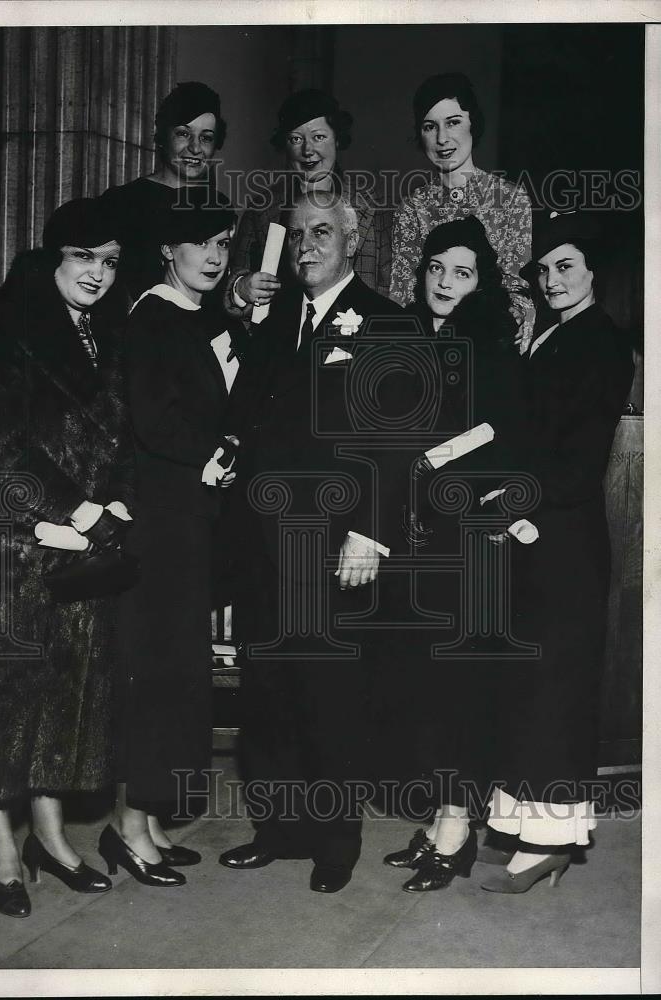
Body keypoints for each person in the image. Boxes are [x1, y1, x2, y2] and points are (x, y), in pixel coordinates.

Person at [0, 198, 132, 917]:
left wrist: (117, 504)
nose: (97, 274)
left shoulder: (101, 332)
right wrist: (74, 512)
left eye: (109, 262)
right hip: (10, 542)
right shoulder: (7, 326)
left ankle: (48, 834)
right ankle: (0, 847)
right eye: (83, 258)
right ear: (53, 259)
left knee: (63, 701)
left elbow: (117, 440)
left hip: (79, 550)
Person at [220, 191, 413, 894]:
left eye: (322, 232)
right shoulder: (275, 325)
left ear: (352, 240)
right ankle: (276, 829)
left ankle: (335, 842)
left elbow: (395, 442)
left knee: (331, 696)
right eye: (296, 234)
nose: (306, 245)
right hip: (266, 545)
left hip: (336, 545)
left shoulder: (386, 322)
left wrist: (369, 533)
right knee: (269, 691)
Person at [477, 212, 635, 892]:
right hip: (537, 529)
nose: (551, 279)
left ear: (592, 273)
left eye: (564, 266)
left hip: (562, 533)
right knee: (526, 686)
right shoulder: (553, 336)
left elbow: (572, 461)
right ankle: (515, 822)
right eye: (542, 270)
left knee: (555, 692)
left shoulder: (598, 341)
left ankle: (549, 842)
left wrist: (511, 499)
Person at [378, 215, 530, 892]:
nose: (444, 282)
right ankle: (438, 817)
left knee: (461, 687)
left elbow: (502, 433)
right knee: (421, 687)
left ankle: (456, 827)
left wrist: (433, 457)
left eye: (460, 272)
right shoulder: (403, 335)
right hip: (413, 540)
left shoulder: (493, 346)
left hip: (468, 537)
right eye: (436, 268)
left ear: (481, 282)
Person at [99, 198, 245, 886]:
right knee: (155, 674)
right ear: (167, 252)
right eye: (199, 244)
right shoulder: (152, 316)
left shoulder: (200, 315)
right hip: (158, 521)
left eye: (222, 244)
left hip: (188, 517)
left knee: (176, 672)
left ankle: (148, 819)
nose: (213, 256)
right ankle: (127, 826)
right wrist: (210, 456)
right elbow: (154, 422)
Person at [389, 72, 534, 350]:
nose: (442, 138)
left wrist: (516, 315)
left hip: (490, 345)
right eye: (430, 127)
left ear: (473, 125)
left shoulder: (511, 198)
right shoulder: (412, 207)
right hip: (427, 348)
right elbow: (403, 293)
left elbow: (519, 287)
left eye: (453, 123)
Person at [224, 88, 393, 317]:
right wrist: (241, 287)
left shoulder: (372, 207)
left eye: (319, 137)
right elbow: (237, 277)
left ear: (338, 140)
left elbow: (388, 286)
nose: (307, 150)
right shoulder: (262, 208)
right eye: (296, 139)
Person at [100, 81, 227, 301]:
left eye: (206, 138)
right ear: (162, 137)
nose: (196, 148)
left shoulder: (219, 204)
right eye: (183, 134)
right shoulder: (122, 201)